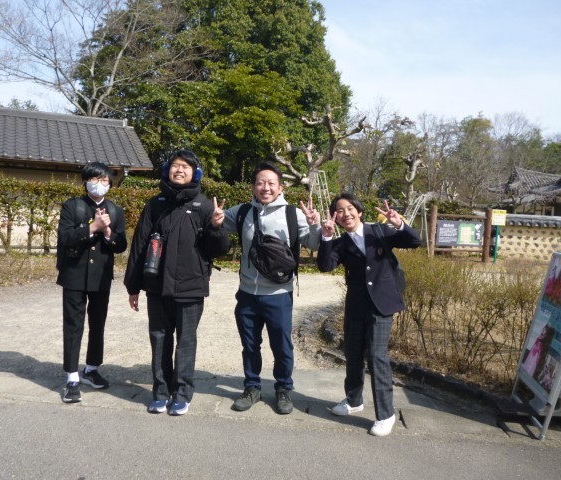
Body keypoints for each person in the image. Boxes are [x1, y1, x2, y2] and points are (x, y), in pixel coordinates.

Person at [124, 149, 230, 416]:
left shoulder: (205, 206)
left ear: (195, 173)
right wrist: (133, 286)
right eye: (175, 166)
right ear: (166, 170)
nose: (179, 170)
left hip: (191, 287)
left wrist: (217, 227)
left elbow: (218, 250)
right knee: (159, 339)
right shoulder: (155, 204)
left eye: (185, 167)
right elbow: (139, 245)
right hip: (157, 286)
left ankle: (182, 394)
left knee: (186, 341)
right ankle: (160, 393)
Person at [212, 161, 321, 415]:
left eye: (271, 183)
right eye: (260, 183)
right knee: (250, 345)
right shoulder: (241, 213)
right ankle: (252, 387)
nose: (265, 187)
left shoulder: (293, 214)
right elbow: (216, 223)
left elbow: (314, 245)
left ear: (281, 187)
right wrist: (215, 220)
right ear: (253, 186)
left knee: (282, 346)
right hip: (247, 294)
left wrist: (315, 225)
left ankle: (283, 389)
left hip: (279, 295)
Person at [317, 193, 421, 436]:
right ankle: (354, 401)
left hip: (381, 305)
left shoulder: (380, 231)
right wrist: (326, 237)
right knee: (352, 354)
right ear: (335, 217)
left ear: (359, 211)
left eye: (350, 208)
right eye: (339, 210)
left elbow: (415, 241)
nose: (346, 214)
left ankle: (386, 414)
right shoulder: (340, 243)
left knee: (376, 356)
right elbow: (325, 265)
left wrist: (398, 223)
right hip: (356, 305)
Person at [57, 161, 127, 403]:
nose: (100, 184)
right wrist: (92, 227)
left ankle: (92, 368)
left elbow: (121, 245)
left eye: (104, 180)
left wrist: (107, 233)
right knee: (73, 325)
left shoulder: (115, 211)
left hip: (101, 277)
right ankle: (72, 377)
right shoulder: (72, 206)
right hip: (74, 275)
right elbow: (65, 238)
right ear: (85, 181)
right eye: (95, 180)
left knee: (98, 324)